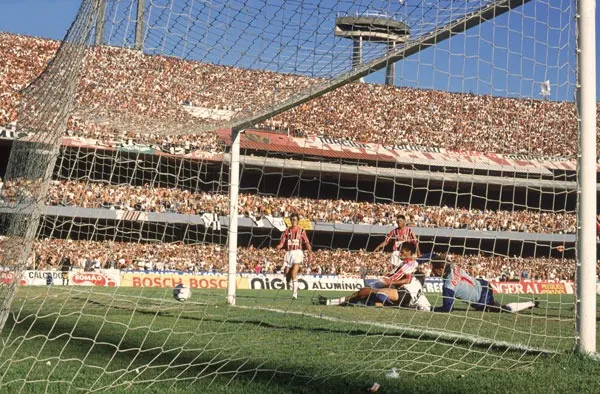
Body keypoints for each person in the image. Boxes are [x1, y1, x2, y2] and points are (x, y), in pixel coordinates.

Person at [317, 243, 431, 310]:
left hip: (387, 283)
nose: (400, 253)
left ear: (409, 252)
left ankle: (333, 302)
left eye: (403, 251)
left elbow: (407, 279)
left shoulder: (410, 264)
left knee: (362, 293)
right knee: (363, 295)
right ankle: (335, 302)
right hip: (386, 282)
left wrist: (391, 282)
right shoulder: (405, 262)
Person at [429, 260, 538, 313]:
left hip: (482, 298)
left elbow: (448, 309)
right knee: (499, 307)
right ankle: (531, 303)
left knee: (503, 309)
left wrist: (431, 309)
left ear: (440, 269)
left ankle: (531, 303)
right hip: (484, 284)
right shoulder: (453, 266)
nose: (432, 273)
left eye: (434, 270)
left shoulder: (448, 286)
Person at [277, 213, 313, 299]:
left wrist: (310, 252)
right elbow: (282, 241)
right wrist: (280, 246)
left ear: (298, 221)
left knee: (294, 273)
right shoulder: (287, 230)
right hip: (288, 253)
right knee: (287, 276)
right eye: (292, 220)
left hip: (297, 253)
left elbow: (307, 242)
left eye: (295, 220)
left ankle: (294, 294)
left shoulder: (301, 231)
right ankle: (295, 288)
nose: (293, 221)